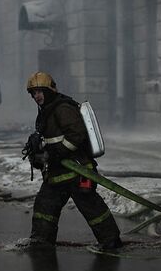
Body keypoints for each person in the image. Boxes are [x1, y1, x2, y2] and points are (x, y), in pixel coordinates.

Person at [24, 71, 122, 250]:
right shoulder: (47, 111)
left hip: (78, 171)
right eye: (33, 93)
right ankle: (41, 241)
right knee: (44, 206)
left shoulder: (62, 108)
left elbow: (77, 135)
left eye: (39, 91)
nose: (36, 96)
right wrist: (38, 152)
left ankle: (111, 242)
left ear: (49, 90)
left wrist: (53, 153)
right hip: (58, 174)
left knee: (91, 207)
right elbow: (51, 141)